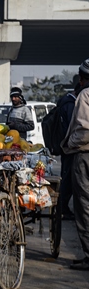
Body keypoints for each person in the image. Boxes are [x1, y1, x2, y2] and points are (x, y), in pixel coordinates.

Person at [61, 58, 89, 270]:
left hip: (84, 155)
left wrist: (68, 144)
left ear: (81, 78)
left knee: (84, 205)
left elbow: (82, 132)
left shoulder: (84, 96)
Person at [57, 83, 80, 220]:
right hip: (70, 147)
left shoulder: (64, 102)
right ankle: (63, 208)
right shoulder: (70, 105)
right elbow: (73, 127)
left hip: (65, 146)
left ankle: (63, 207)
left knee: (66, 177)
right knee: (68, 180)